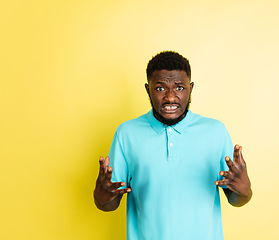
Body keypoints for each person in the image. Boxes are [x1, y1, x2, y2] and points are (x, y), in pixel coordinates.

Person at [93, 51, 252, 240]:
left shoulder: (215, 131)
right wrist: (101, 197)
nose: (170, 97)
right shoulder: (127, 134)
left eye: (179, 88)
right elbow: (109, 203)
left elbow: (236, 199)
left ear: (190, 88)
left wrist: (244, 191)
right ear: (147, 89)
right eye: (160, 89)